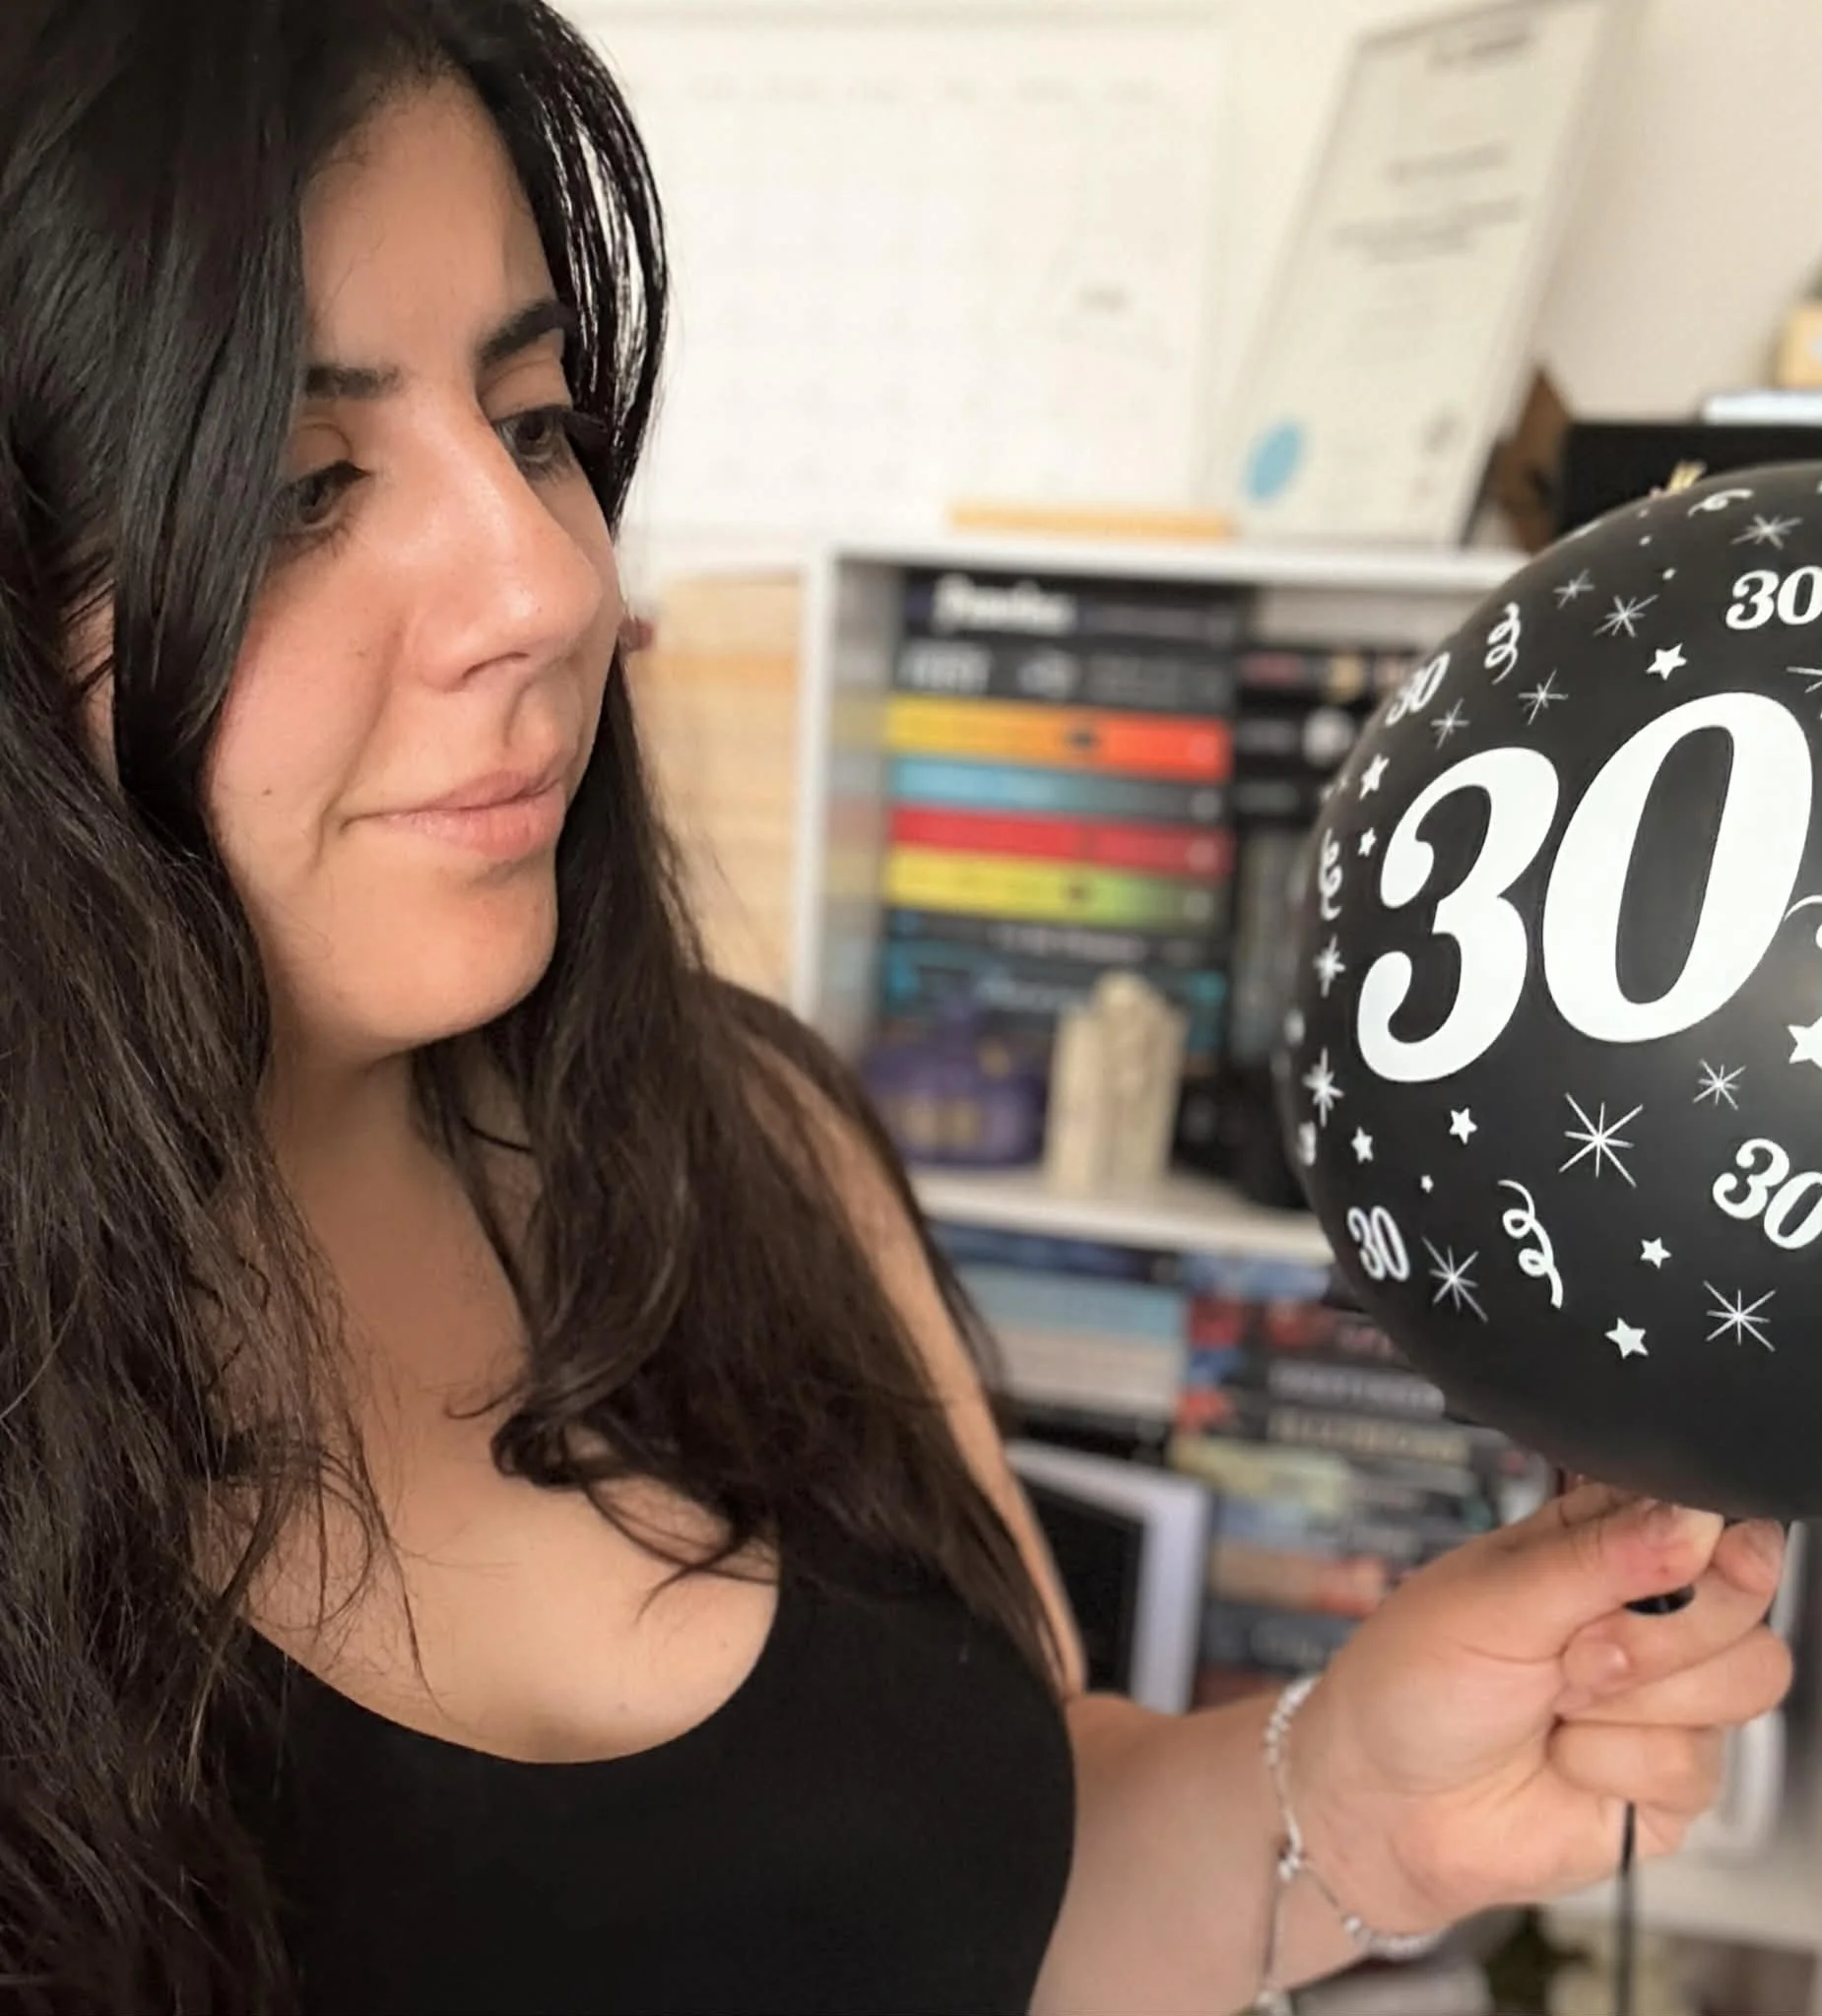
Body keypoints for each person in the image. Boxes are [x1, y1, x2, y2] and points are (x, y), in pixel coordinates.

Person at [0, 3, 1792, 2011]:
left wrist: (1350, 1805)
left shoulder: (744, 1139)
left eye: (530, 425)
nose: (545, 581)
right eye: (296, 486)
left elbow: (980, 1903)